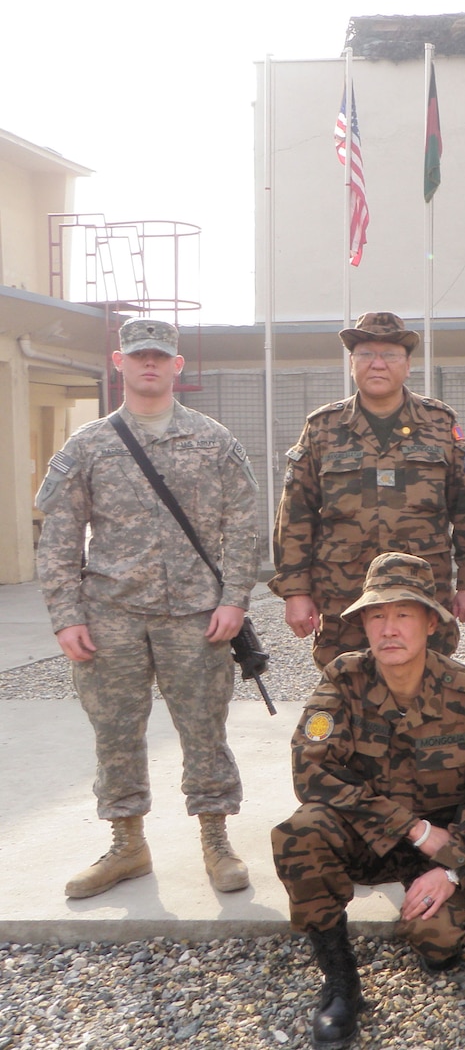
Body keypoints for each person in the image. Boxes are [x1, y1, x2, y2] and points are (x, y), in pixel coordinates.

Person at [34, 316, 261, 898]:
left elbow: (242, 526)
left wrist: (235, 599)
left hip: (195, 615)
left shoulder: (213, 442)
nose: (150, 364)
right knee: (115, 732)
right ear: (120, 363)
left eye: (161, 355)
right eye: (139, 356)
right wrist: (67, 615)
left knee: (204, 730)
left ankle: (215, 840)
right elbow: (59, 535)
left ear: (177, 366)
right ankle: (126, 843)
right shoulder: (88, 446)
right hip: (111, 613)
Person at [272, 551, 465, 1049]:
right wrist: (411, 827)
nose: (388, 628)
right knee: (301, 831)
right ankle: (340, 982)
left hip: (443, 848)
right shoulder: (344, 679)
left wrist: (454, 866)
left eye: (403, 614)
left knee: (439, 946)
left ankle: (434, 907)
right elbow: (311, 771)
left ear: (429, 622)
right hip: (373, 837)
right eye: (377, 615)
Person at [271, 311, 465, 668]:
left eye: (391, 355)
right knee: (346, 694)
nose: (378, 364)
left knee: (427, 695)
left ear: (408, 364)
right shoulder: (323, 428)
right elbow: (296, 515)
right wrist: (296, 591)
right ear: (352, 363)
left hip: (423, 597)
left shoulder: (439, 424)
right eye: (366, 354)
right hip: (344, 600)